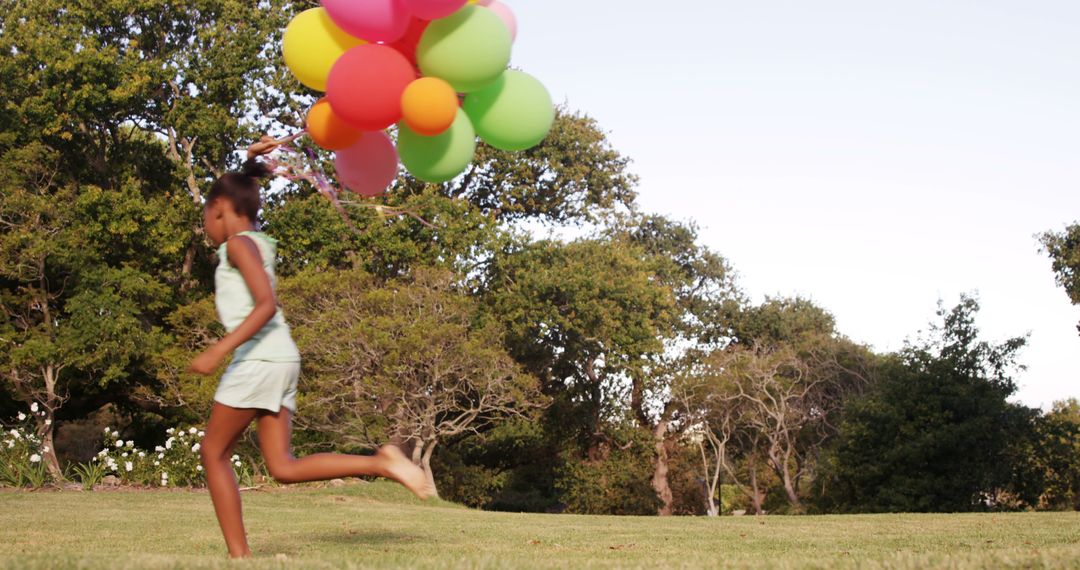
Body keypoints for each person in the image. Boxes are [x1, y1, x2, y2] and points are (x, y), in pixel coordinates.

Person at [188, 136, 429, 559]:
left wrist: (216, 350)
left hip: (259, 358)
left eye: (207, 215)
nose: (206, 225)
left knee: (213, 452)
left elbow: (265, 305)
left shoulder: (239, 245)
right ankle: (381, 462)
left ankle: (239, 557)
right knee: (282, 467)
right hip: (281, 357)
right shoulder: (257, 239)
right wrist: (251, 161)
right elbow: (243, 187)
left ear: (220, 210)